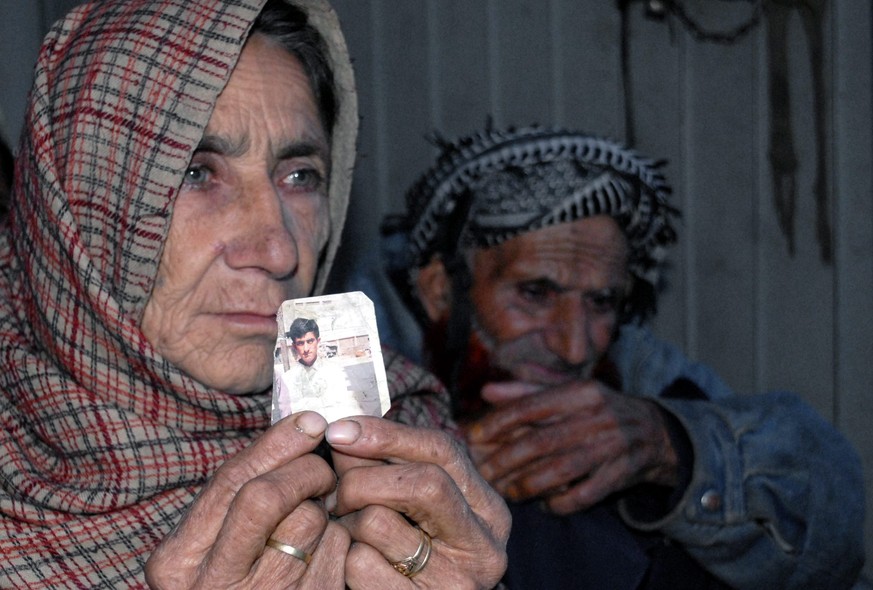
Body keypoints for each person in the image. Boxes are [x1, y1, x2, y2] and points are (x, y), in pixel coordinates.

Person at [0, 1, 510, 588]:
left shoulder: (405, 448)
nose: (279, 251)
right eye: (197, 172)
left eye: (300, 176)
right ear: (78, 201)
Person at [382, 125, 864, 589]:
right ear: (441, 291)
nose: (575, 347)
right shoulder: (362, 360)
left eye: (601, 302)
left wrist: (671, 446)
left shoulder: (632, 365)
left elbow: (830, 515)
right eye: (535, 293)